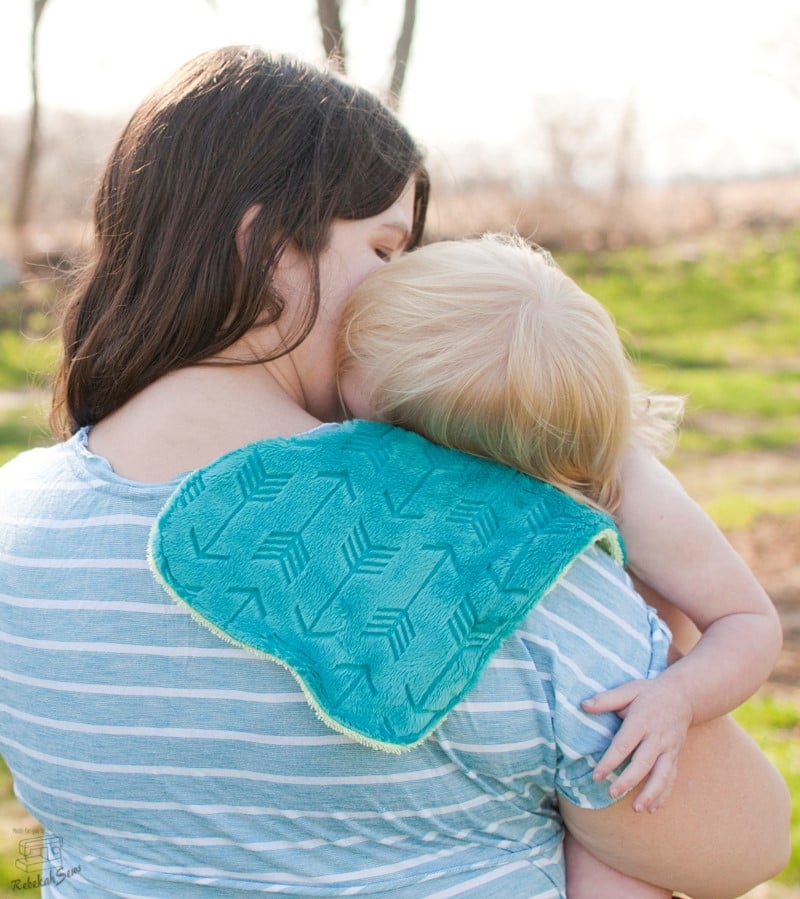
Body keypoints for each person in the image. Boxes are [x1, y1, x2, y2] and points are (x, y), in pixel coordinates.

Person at [0, 45, 788, 898]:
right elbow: (746, 842)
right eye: (385, 248)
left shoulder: (18, 523)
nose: (404, 285)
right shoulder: (480, 545)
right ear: (266, 246)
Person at [337, 233, 784, 893]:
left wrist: (679, 697)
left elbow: (749, 620)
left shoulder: (628, 485)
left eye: (366, 419)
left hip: (628, 729)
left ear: (470, 460)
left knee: (619, 862)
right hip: (546, 739)